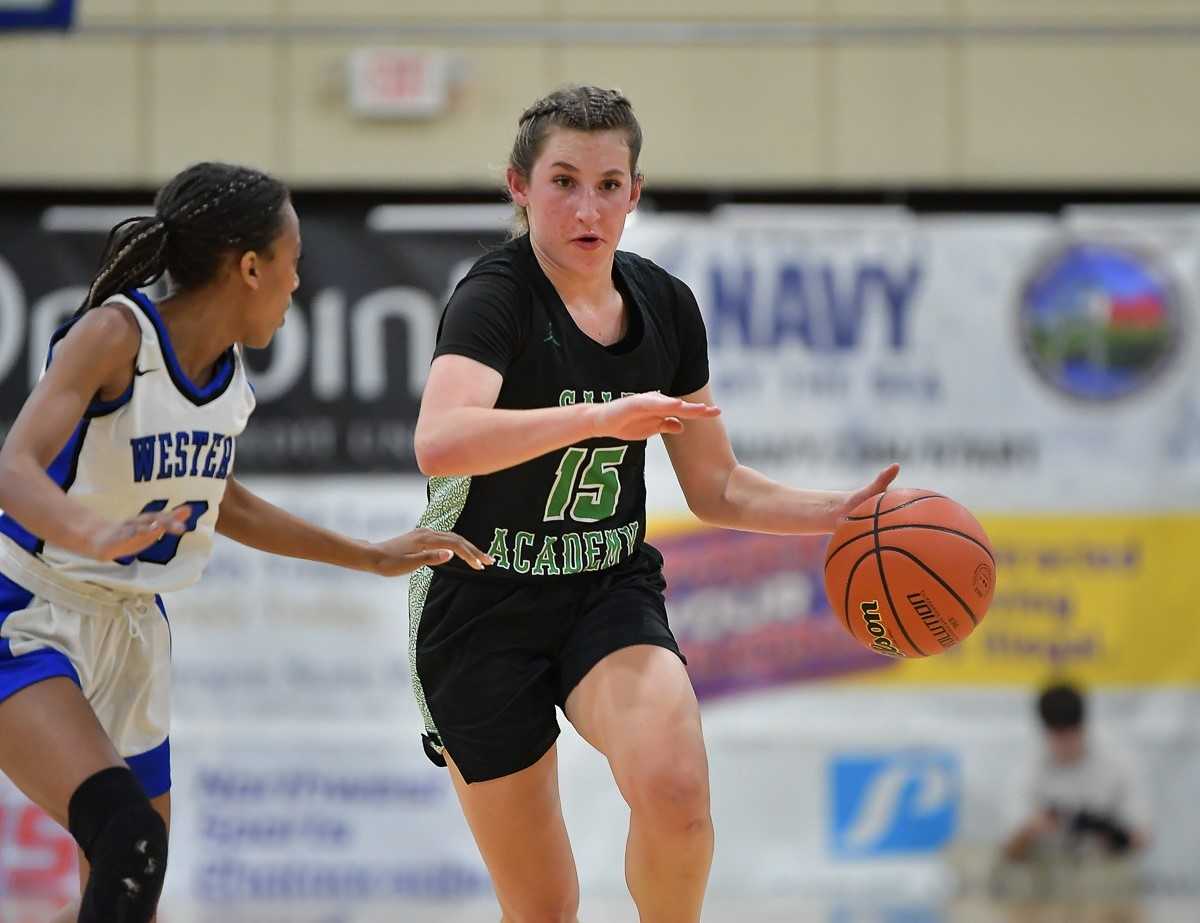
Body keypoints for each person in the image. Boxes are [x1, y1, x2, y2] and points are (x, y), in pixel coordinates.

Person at [410, 85, 899, 923]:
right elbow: (441, 439)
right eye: (563, 181)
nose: (587, 206)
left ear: (635, 192)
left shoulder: (665, 305)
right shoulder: (494, 297)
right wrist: (601, 416)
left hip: (605, 588)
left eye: (609, 183)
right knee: (543, 907)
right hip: (482, 601)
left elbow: (715, 485)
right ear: (518, 187)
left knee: (676, 794)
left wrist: (838, 510)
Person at [0, 162, 489, 923]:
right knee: (129, 840)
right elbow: (15, 465)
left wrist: (369, 553)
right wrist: (88, 530)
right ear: (250, 266)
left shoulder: (229, 382)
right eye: (292, 267)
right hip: (29, 608)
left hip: (129, 628)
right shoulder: (114, 334)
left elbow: (223, 502)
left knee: (131, 889)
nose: (297, 288)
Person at [1004, 681, 1152, 864]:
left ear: (1083, 726)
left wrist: (1112, 833)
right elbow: (1009, 850)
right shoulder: (1027, 766)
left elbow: (1143, 836)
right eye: (1057, 736)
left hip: (1105, 868)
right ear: (1045, 731)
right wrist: (1031, 830)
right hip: (1046, 871)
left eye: (1070, 735)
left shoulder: (1117, 760)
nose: (1065, 745)